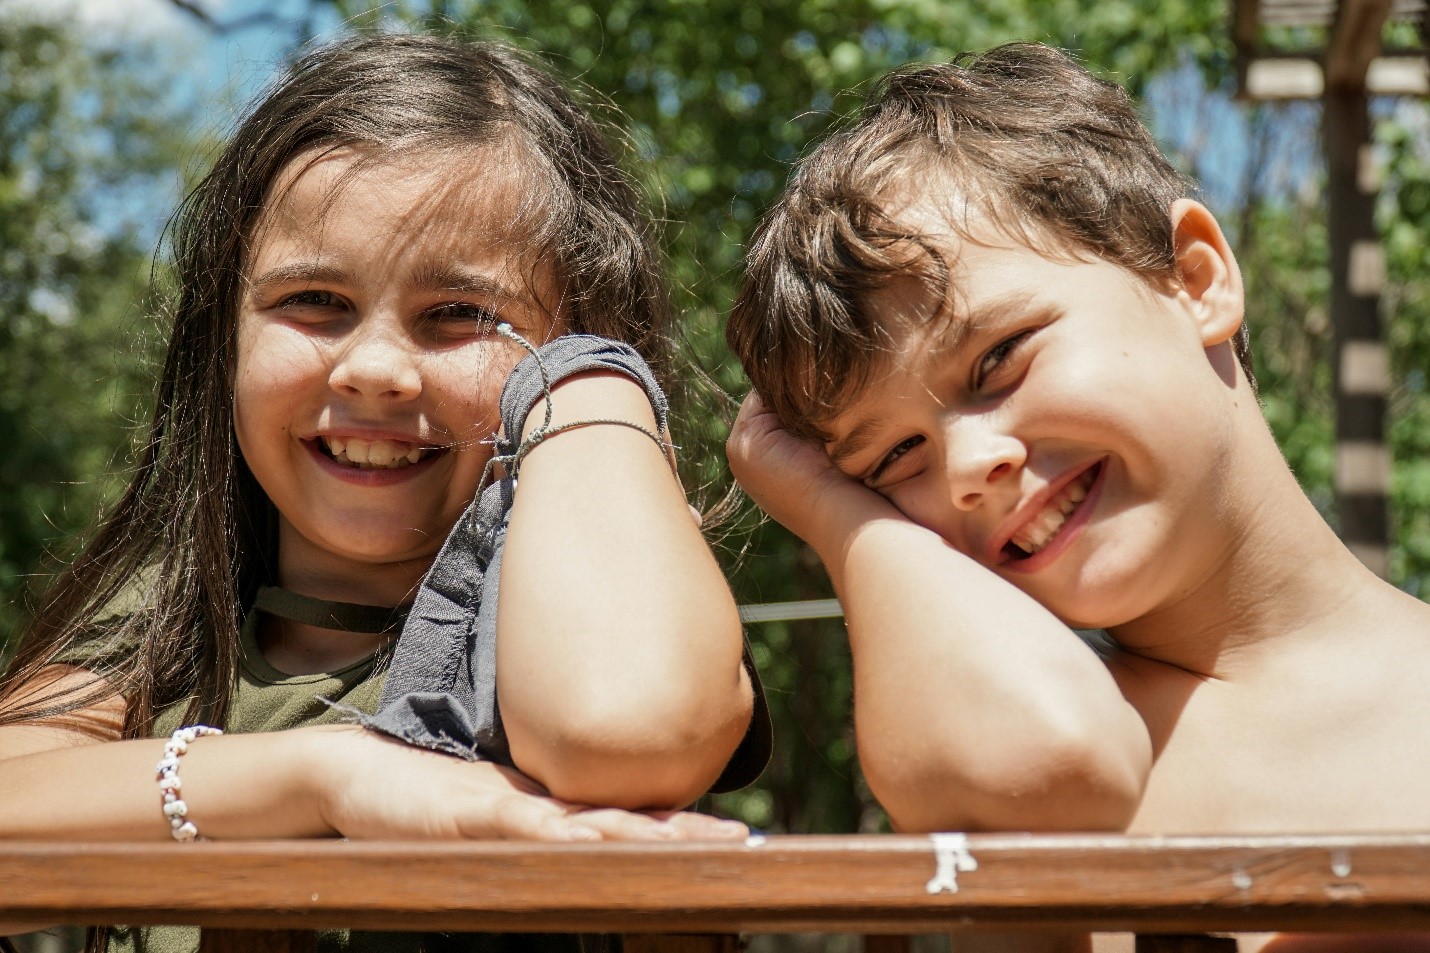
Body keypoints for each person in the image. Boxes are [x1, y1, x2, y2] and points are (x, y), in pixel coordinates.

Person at [0, 30, 765, 953]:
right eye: (313, 301)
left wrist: (591, 380)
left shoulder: (604, 591)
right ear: (225, 338)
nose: (373, 370)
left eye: (460, 315)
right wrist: (330, 777)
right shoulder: (173, 615)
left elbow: (624, 728)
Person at [725, 42, 1430, 951]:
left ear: (1196, 281)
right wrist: (835, 512)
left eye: (998, 360)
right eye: (895, 456)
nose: (969, 462)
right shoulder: (1028, 765)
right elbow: (1042, 750)